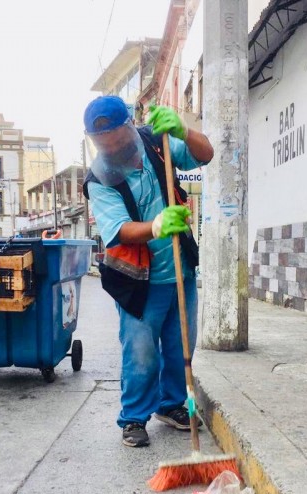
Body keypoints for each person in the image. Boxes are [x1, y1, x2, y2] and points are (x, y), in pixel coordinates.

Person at [82, 96, 214, 447]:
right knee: (140, 351)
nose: (113, 148)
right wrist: (156, 225)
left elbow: (206, 154)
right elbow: (118, 229)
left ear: (129, 126)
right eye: (103, 145)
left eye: (118, 140)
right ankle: (134, 417)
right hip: (137, 279)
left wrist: (184, 129)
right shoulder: (98, 178)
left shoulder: (158, 142)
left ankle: (171, 405)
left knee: (180, 344)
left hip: (179, 270)